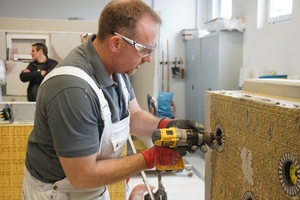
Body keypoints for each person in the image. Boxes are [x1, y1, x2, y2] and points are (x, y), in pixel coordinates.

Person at [22, 0, 213, 199]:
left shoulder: (118, 70)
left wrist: (167, 125)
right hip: (60, 193)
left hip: (92, 188)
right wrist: (151, 157)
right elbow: (82, 176)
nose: (148, 58)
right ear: (116, 43)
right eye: (144, 49)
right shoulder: (73, 88)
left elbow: (134, 116)